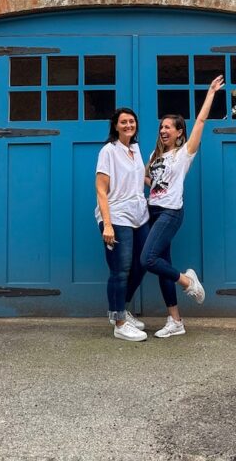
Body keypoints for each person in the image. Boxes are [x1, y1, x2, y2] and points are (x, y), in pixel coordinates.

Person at [141, 74, 224, 338]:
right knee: (162, 264)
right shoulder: (155, 155)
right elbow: (148, 180)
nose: (163, 130)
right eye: (161, 127)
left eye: (168, 127)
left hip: (170, 212)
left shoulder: (184, 153)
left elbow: (200, 122)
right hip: (152, 212)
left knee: (148, 259)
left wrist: (210, 93)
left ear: (179, 132)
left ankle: (188, 281)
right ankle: (175, 321)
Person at [95, 106, 150, 342]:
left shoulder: (135, 149)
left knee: (143, 263)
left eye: (132, 121)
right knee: (120, 271)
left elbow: (141, 178)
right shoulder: (109, 151)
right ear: (115, 126)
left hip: (140, 215)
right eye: (124, 122)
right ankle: (119, 323)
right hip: (117, 217)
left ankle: (121, 310)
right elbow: (101, 189)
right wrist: (107, 225)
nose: (128, 125)